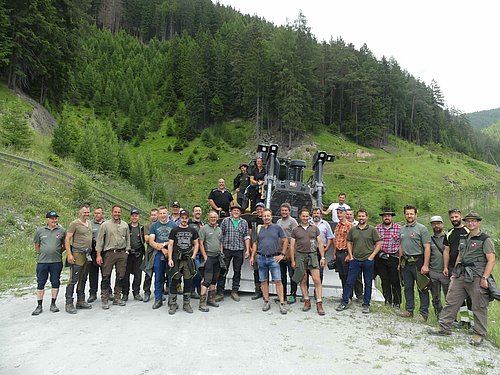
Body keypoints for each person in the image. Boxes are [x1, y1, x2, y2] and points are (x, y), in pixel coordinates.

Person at [429, 211, 496, 346]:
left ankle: (479, 333)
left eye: (473, 221)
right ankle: (444, 327)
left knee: (479, 305)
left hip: (477, 275)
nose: (471, 223)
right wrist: (455, 272)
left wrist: (485, 277)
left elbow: (491, 260)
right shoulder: (464, 238)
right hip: (461, 274)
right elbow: (460, 255)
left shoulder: (485, 239)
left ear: (478, 222)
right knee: (451, 300)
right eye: (468, 221)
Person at [336, 208, 381, 313]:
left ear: (367, 217)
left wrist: (372, 256)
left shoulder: (372, 230)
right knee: (349, 281)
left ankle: (366, 304)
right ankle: (344, 301)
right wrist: (351, 255)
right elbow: (348, 242)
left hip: (367, 260)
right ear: (357, 217)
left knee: (368, 282)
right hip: (355, 260)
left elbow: (378, 243)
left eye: (363, 216)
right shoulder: (353, 229)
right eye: (359, 216)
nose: (361, 218)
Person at [250, 208, 288, 314]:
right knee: (263, 280)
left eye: (268, 216)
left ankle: (282, 303)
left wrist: (282, 254)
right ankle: (266, 301)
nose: (266, 218)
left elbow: (285, 240)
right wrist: (253, 256)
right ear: (262, 217)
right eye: (264, 216)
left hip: (273, 258)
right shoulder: (258, 228)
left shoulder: (277, 228)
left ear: (271, 217)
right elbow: (255, 243)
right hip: (261, 258)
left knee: (278, 281)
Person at [290, 208, 326, 316]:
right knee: (303, 279)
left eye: (307, 216)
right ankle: (306, 300)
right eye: (303, 216)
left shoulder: (315, 229)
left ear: (309, 217)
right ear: (300, 216)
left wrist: (323, 257)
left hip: (313, 255)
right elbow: (292, 246)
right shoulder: (295, 230)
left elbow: (320, 243)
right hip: (300, 256)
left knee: (317, 279)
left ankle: (319, 302)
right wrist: (293, 260)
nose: (305, 218)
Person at [95, 204, 131, 310]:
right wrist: (98, 254)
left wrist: (127, 251)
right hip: (109, 253)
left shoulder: (124, 225)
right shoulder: (105, 225)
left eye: (119, 212)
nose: (117, 214)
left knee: (120, 276)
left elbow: (128, 238)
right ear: (112, 212)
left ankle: (117, 298)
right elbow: (100, 240)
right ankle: (105, 299)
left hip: (122, 253)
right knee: (106, 276)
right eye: (115, 212)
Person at [399, 204, 431, 321]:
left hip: (418, 261)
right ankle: (409, 310)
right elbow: (401, 246)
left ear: (416, 214)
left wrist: (426, 265)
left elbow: (427, 247)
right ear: (404, 215)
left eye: (411, 213)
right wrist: (399, 262)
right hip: (405, 262)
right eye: (407, 213)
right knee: (407, 287)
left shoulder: (422, 229)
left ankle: (423, 314)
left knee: (422, 288)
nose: (409, 216)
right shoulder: (402, 229)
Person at [32, 211, 66, 315]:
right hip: (42, 262)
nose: (54, 220)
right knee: (40, 283)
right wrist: (43, 253)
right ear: (47, 220)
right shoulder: (40, 231)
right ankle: (39, 305)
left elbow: (65, 245)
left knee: (55, 282)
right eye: (52, 218)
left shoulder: (62, 231)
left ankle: (53, 304)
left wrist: (56, 252)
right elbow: (37, 246)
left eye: (56, 218)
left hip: (56, 261)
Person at [443, 208, 472, 327]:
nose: (454, 219)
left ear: (461, 216)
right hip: (452, 269)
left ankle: (472, 322)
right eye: (452, 217)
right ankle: (464, 320)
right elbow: (446, 250)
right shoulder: (449, 233)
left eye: (456, 217)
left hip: (467, 269)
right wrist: (445, 267)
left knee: (470, 297)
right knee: (459, 296)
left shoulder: (468, 230)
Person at [166, 210, 199, 314]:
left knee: (188, 281)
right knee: (175, 280)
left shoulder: (192, 230)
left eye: (186, 218)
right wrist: (170, 259)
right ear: (180, 218)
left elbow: (196, 244)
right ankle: (173, 304)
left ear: (188, 218)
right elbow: (170, 245)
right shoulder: (174, 230)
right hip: (176, 258)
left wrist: (193, 256)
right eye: (182, 218)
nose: (184, 220)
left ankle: (186, 304)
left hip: (188, 259)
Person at [216, 204, 251, 302]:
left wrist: (247, 250)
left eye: (238, 211)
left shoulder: (244, 223)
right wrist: (220, 249)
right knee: (223, 271)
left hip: (239, 250)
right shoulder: (225, 221)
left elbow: (246, 237)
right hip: (227, 249)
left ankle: (234, 291)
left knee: (237, 271)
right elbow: (220, 235)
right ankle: (220, 292)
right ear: (231, 212)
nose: (236, 212)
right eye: (234, 210)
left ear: (240, 213)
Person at [64, 204, 93, 314]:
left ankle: (80, 300)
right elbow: (67, 239)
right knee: (73, 279)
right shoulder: (74, 224)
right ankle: (69, 302)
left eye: (88, 212)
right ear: (80, 213)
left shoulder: (89, 223)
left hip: (87, 254)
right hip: (77, 253)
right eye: (85, 212)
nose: (87, 214)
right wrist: (69, 254)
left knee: (83, 277)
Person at [147, 206, 176, 309]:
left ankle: (171, 301)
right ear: (158, 215)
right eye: (161, 213)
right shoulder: (154, 226)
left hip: (171, 254)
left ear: (167, 214)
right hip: (158, 254)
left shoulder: (173, 225)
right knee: (158, 277)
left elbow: (175, 239)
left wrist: (165, 246)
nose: (163, 215)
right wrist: (161, 248)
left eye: (164, 213)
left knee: (171, 277)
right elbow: (151, 241)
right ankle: (158, 299)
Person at [375, 208, 402, 311]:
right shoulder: (377, 228)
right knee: (384, 280)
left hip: (394, 257)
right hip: (381, 257)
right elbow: (375, 243)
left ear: (392, 217)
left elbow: (400, 244)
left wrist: (400, 259)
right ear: (382, 217)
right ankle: (387, 300)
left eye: (389, 216)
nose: (387, 217)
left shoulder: (399, 228)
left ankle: (397, 303)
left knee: (395, 280)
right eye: (385, 216)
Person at [198, 210, 223, 312]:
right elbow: (200, 243)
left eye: (215, 217)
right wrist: (205, 257)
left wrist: (221, 252)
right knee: (207, 280)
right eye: (211, 217)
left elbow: (220, 241)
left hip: (217, 257)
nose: (213, 219)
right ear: (208, 218)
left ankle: (211, 299)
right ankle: (202, 303)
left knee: (214, 280)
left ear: (217, 218)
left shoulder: (219, 229)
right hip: (208, 257)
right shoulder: (204, 229)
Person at [276, 203, 298, 304]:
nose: (284, 212)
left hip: (290, 252)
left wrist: (290, 252)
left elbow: (296, 237)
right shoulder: (278, 221)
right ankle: (282, 294)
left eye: (286, 210)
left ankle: (293, 294)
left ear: (289, 211)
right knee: (282, 275)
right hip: (280, 252)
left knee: (291, 275)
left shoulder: (293, 222)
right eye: (282, 210)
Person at [122, 209, 145, 301]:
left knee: (138, 274)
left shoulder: (141, 228)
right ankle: (125, 293)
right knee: (125, 274)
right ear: (130, 217)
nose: (134, 217)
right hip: (128, 254)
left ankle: (136, 292)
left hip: (138, 254)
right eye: (133, 215)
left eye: (136, 215)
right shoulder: (126, 227)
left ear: (139, 217)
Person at [428, 215, 449, 315]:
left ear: (442, 224)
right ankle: (439, 315)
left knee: (449, 296)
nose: (436, 226)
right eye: (434, 224)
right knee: (435, 296)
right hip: (433, 271)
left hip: (445, 272)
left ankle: (450, 317)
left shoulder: (448, 237)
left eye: (438, 223)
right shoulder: (429, 239)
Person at [87, 207, 108, 303]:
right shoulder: (90, 224)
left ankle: (108, 292)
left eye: (98, 213)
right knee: (93, 273)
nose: (96, 215)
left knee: (106, 273)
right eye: (95, 213)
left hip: (104, 250)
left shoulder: (107, 224)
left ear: (102, 214)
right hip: (93, 250)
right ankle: (92, 293)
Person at [310, 207, 334, 284]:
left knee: (320, 271)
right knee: (307, 271)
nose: (316, 215)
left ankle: (317, 291)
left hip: (320, 250)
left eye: (318, 213)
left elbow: (330, 237)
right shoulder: (308, 222)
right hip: (308, 249)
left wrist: (326, 248)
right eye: (314, 213)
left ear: (321, 214)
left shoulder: (325, 224)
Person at [248, 202, 265, 300]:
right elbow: (250, 234)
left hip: (265, 248)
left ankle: (265, 290)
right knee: (256, 270)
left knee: (265, 270)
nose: (259, 210)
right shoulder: (252, 220)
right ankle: (258, 290)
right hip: (255, 248)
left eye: (261, 209)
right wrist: (250, 246)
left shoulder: (267, 219)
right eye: (257, 209)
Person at [141, 208, 158, 303]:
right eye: (152, 215)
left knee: (160, 274)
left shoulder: (161, 225)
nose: (153, 216)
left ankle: (158, 292)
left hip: (160, 252)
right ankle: (146, 292)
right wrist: (157, 241)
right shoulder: (147, 226)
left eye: (155, 214)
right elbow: (147, 238)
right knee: (148, 272)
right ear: (150, 216)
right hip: (151, 251)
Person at [188, 205, 205, 300]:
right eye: (196, 211)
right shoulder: (190, 223)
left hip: (202, 251)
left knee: (201, 271)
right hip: (193, 251)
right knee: (195, 271)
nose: (198, 212)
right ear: (193, 213)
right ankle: (191, 290)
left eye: (199, 210)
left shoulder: (203, 223)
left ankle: (197, 289)